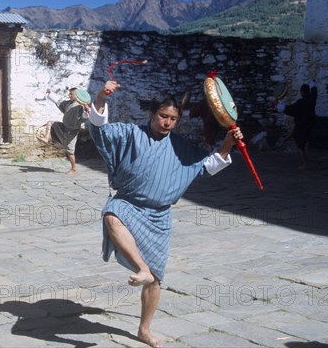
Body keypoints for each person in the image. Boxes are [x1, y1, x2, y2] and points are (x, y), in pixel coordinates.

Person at [88, 80, 242, 348]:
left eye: (173, 118)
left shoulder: (183, 149)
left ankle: (144, 329)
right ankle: (141, 268)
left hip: (159, 217)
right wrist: (101, 96)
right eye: (163, 116)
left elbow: (207, 166)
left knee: (156, 279)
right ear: (152, 114)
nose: (168, 122)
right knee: (111, 214)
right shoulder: (129, 134)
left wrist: (228, 144)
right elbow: (98, 129)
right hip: (129, 203)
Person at [38, 87, 89, 174]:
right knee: (50, 123)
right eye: (69, 94)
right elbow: (59, 101)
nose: (69, 95)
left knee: (70, 151)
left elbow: (83, 119)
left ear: (77, 96)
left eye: (71, 94)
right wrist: (50, 92)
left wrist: (86, 110)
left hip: (72, 132)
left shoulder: (80, 107)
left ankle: (73, 169)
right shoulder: (67, 103)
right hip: (63, 127)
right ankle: (46, 138)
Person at [277, 81, 318, 169]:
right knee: (294, 134)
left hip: (302, 124)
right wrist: (313, 84)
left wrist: (280, 106)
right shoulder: (312, 98)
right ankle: (283, 141)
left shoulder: (301, 102)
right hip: (310, 124)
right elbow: (314, 90)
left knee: (300, 145)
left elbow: (291, 109)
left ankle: (304, 164)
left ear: (302, 92)